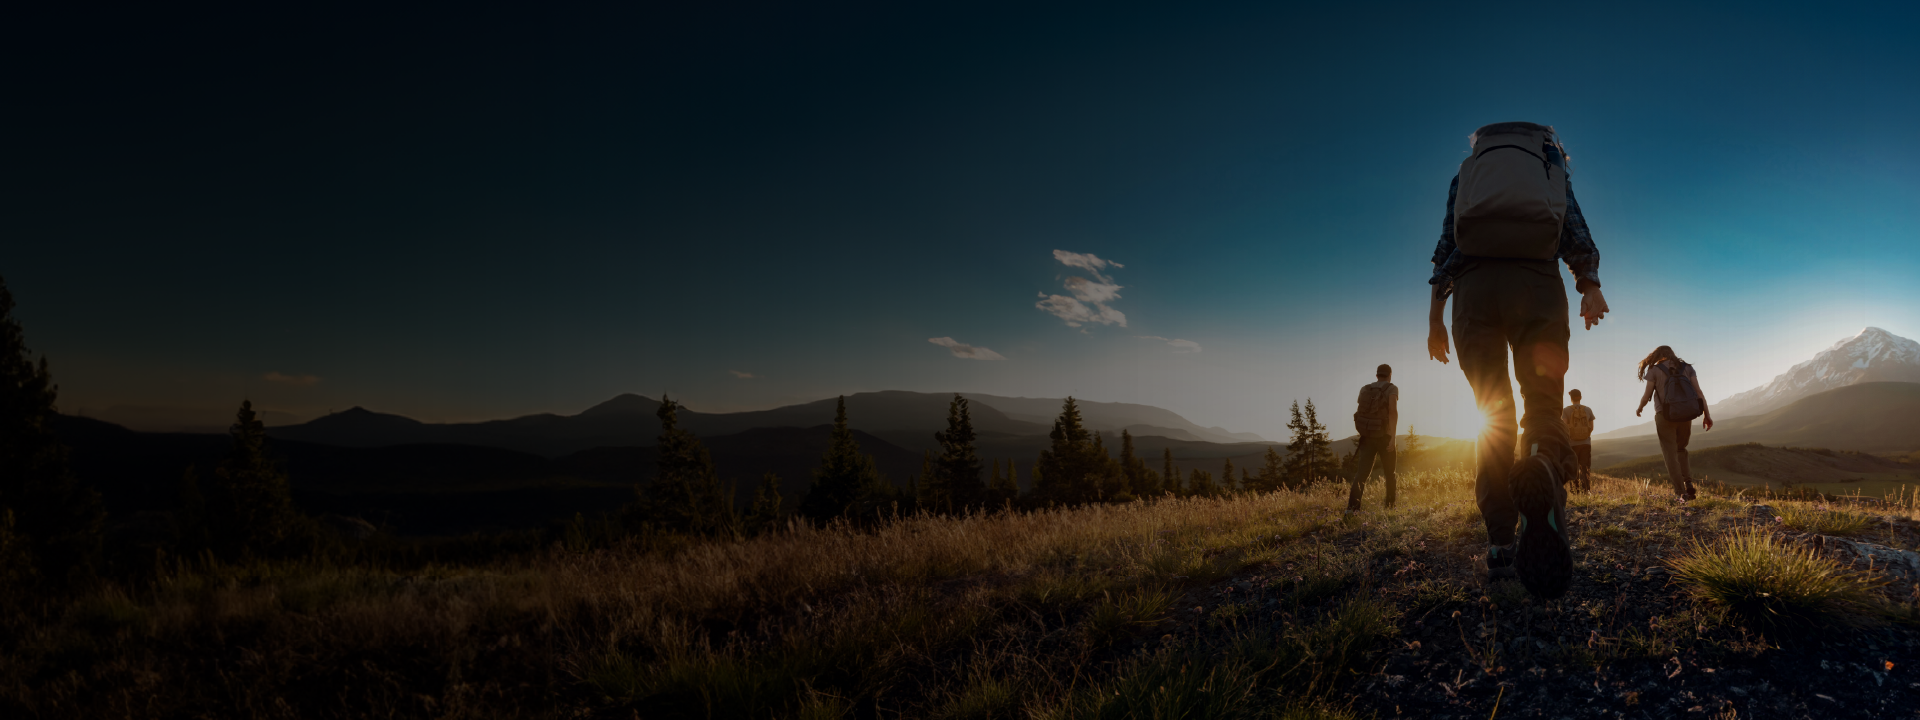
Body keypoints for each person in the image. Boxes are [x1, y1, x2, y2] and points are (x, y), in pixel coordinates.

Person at [1426, 121, 1609, 599]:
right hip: (1537, 286)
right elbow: (1573, 227)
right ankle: (1545, 463)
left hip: (1473, 294)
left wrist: (1435, 318)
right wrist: (1589, 283)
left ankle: (1501, 546)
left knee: (1494, 415)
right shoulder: (1548, 165)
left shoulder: (1467, 175)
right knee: (1544, 404)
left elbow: (1447, 246)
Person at [1636, 346, 1713, 501]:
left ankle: (1680, 492)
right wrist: (1707, 415)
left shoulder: (1654, 370)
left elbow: (1646, 396)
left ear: (1657, 355)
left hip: (1665, 416)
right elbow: (1699, 392)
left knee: (1670, 453)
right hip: (1686, 414)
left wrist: (1640, 408)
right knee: (1681, 449)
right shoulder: (1687, 368)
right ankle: (1688, 482)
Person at [1346, 364, 1399, 512]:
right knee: (1390, 473)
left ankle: (1352, 509)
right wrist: (1393, 437)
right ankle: (1389, 508)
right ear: (1390, 375)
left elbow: (1362, 410)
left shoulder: (1365, 389)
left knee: (1362, 474)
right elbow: (1393, 412)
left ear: (1376, 375)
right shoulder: (1391, 388)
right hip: (1385, 435)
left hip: (1367, 436)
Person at [1562, 389, 1596, 491]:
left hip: (1572, 444)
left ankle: (1575, 490)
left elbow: (1564, 427)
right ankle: (1586, 490)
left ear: (1571, 398)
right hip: (1585, 443)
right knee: (1585, 467)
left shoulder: (1566, 410)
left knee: (1574, 467)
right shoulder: (1588, 410)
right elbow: (1591, 427)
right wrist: (1584, 436)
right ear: (1580, 397)